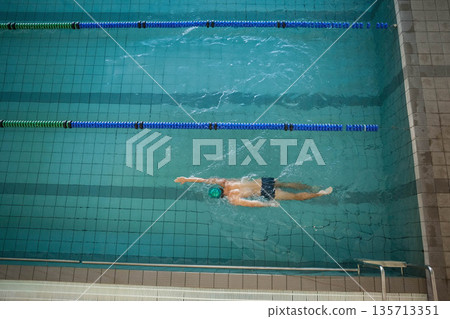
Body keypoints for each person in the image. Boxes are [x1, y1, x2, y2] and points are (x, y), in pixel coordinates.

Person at [174, 176, 333, 207]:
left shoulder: (232, 199)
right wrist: (187, 179)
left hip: (266, 193)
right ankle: (310, 187)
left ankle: (320, 194)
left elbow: (250, 203)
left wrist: (269, 205)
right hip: (262, 181)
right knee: (286, 183)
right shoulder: (225, 182)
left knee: (296, 198)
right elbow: (207, 180)